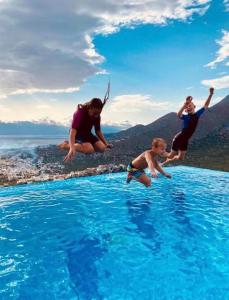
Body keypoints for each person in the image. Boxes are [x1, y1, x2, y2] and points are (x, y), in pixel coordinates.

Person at [162, 87, 214, 166]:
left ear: (194, 106)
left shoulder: (197, 114)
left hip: (185, 140)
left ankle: (166, 161)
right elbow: (178, 114)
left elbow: (206, 105)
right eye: (187, 106)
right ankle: (157, 153)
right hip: (178, 138)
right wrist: (184, 105)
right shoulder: (186, 117)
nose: (189, 107)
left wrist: (210, 94)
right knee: (170, 155)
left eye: (190, 105)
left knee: (180, 158)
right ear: (186, 110)